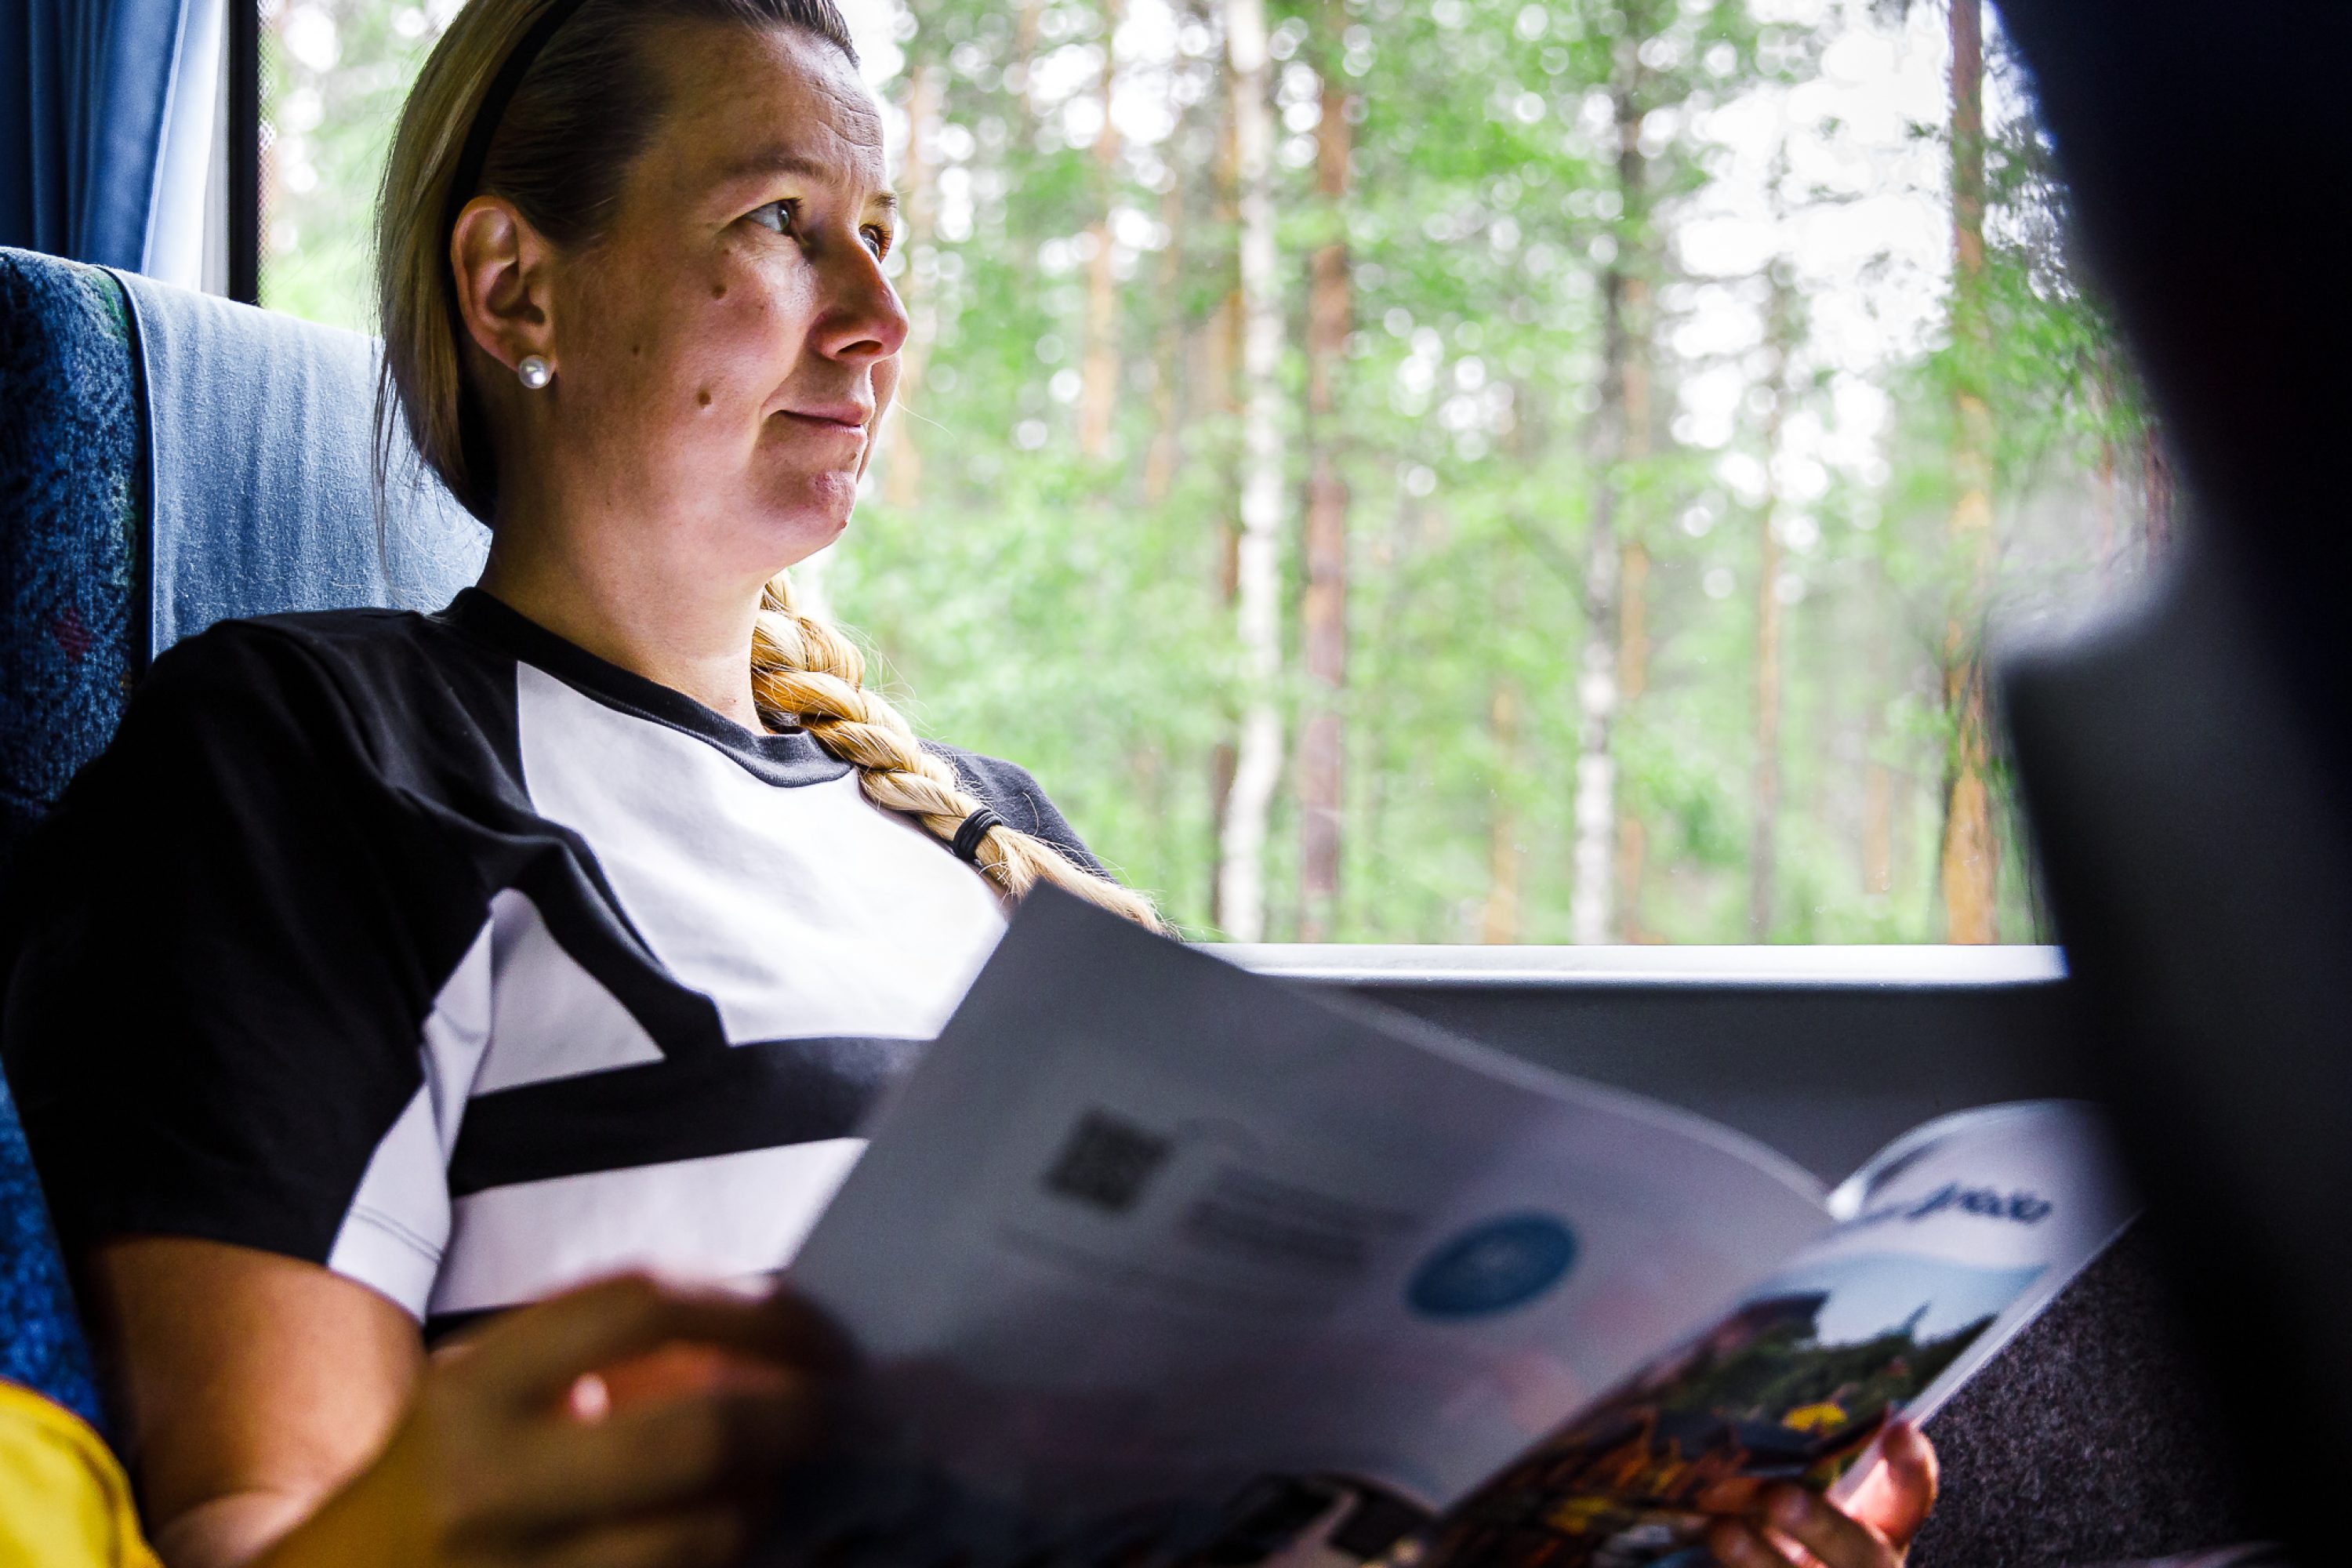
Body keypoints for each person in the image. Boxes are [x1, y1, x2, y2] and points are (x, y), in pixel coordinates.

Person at [0, 1, 1940, 1564]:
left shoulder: (987, 834)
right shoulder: (320, 757)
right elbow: (273, 1521)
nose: (882, 319)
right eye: (780, 222)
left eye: (886, 240)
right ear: (518, 291)